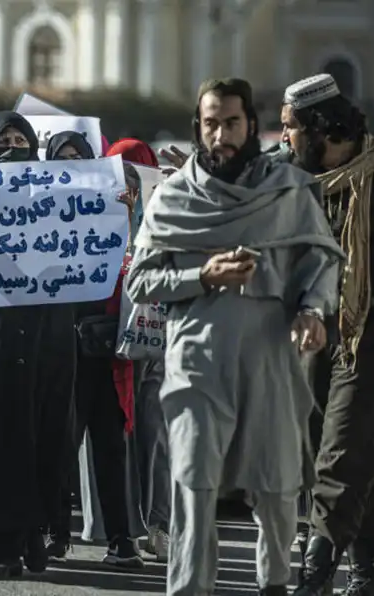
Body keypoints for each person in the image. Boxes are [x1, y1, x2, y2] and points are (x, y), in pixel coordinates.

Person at [128, 78, 345, 596]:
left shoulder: (287, 191)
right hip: (196, 366)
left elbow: (320, 261)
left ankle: (274, 585)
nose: (221, 134)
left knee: (276, 490)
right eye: (210, 123)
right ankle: (189, 588)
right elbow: (140, 280)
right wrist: (201, 276)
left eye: (231, 122)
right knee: (194, 485)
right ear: (198, 128)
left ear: (250, 124)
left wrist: (313, 310)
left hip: (271, 361)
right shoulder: (175, 197)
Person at [0, 111, 77, 579]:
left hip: (50, 337)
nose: (12, 145)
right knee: (4, 441)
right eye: (2, 140)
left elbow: (91, 248)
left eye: (19, 138)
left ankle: (36, 532)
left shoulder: (57, 194)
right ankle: (5, 545)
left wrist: (117, 212)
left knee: (48, 439)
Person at [280, 75, 374, 596]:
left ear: (321, 129)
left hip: (364, 334)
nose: (283, 138)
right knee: (329, 451)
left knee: (341, 449)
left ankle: (313, 577)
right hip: (314, 334)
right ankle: (366, 569)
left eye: (290, 128)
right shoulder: (300, 181)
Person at [44, 133, 144, 569]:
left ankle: (121, 539)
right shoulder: (38, 213)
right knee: (60, 448)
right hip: (61, 349)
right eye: (62, 159)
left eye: (79, 158)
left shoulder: (119, 211)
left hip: (106, 351)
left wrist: (127, 217)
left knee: (109, 448)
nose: (71, 164)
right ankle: (55, 534)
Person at [107, 138, 172, 562]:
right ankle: (125, 526)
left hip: (157, 338)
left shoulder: (168, 210)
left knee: (158, 436)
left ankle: (160, 525)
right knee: (120, 438)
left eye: (138, 173)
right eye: (122, 173)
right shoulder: (100, 212)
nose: (130, 183)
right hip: (112, 341)